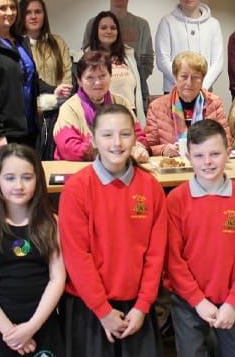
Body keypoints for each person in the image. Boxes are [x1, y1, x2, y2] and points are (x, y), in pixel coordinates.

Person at [58, 104, 167, 357]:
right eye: (107, 135)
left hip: (138, 307)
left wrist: (143, 306)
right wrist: (102, 310)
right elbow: (77, 257)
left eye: (125, 134)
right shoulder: (77, 189)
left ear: (135, 138)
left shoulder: (150, 187)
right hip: (90, 307)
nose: (116, 143)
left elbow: (155, 254)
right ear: (93, 139)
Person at [166, 119, 235, 357]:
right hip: (188, 302)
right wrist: (198, 301)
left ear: (228, 153)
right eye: (198, 156)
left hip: (231, 300)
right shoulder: (176, 201)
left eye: (215, 154)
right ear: (188, 156)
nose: (207, 162)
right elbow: (173, 261)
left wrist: (233, 302)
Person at [0, 143, 65, 356]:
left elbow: (57, 278)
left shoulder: (51, 223)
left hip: (41, 324)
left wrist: (31, 328)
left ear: (38, 180)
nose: (19, 185)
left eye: (27, 178)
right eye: (10, 178)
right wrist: (10, 333)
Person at [0, 0, 69, 176]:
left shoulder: (21, 42)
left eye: (13, 7)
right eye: (2, 8)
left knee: (27, 182)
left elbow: (30, 79)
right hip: (3, 132)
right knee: (3, 188)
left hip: (28, 128)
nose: (9, 13)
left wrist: (54, 90)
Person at [53, 50, 149, 162]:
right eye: (90, 78)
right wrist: (112, 152)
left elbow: (140, 138)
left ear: (110, 76)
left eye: (102, 76)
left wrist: (140, 149)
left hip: (119, 169)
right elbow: (69, 150)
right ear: (79, 81)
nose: (97, 83)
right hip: (79, 171)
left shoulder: (121, 103)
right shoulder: (69, 108)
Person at [82, 0, 154, 109]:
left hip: (129, 95)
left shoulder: (141, 24)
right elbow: (85, 56)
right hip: (98, 98)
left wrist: (132, 78)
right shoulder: (93, 23)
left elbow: (147, 60)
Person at [17, 0, 74, 160]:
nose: (33, 16)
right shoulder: (16, 45)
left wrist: (46, 103)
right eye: (28, 12)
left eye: (38, 11)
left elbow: (67, 80)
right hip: (26, 116)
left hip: (56, 114)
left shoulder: (58, 42)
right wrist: (37, 106)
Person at [145, 51, 230, 157]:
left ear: (202, 79)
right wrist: (163, 150)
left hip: (206, 165)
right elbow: (148, 147)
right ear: (175, 78)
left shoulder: (214, 103)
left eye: (195, 77)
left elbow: (226, 144)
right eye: (184, 77)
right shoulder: (156, 107)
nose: (189, 83)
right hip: (173, 168)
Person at [155, 0, 223, 93]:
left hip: (204, 90)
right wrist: (184, 83)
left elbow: (217, 62)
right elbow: (162, 60)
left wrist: (201, 86)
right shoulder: (167, 22)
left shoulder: (213, 24)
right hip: (174, 90)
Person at [84, 11, 143, 121]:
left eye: (113, 28)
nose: (109, 31)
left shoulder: (129, 54)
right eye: (103, 28)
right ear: (96, 31)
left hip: (129, 113)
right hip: (100, 115)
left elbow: (142, 89)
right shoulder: (86, 57)